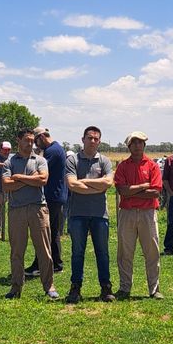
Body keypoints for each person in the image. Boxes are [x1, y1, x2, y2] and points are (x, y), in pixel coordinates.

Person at [2, 128, 59, 300]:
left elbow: (43, 180)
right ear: (18, 140)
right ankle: (16, 287)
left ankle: (49, 286)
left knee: (44, 250)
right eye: (26, 140)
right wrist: (28, 179)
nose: (30, 143)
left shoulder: (40, 160)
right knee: (17, 251)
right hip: (16, 210)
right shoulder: (9, 163)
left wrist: (18, 178)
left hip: (38, 209)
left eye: (32, 140)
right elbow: (6, 185)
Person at [64, 125, 115, 303]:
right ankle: (75, 288)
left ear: (99, 141)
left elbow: (108, 183)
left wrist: (83, 182)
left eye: (96, 138)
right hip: (78, 214)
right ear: (83, 139)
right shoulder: (72, 160)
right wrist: (96, 186)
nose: (92, 141)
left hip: (100, 215)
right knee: (77, 252)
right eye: (89, 137)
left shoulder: (105, 161)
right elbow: (72, 185)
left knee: (103, 252)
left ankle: (106, 288)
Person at [114, 131, 162, 299]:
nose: (137, 145)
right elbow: (121, 190)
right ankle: (125, 288)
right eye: (134, 142)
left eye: (140, 142)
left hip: (147, 213)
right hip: (127, 213)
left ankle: (154, 289)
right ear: (129, 146)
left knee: (152, 252)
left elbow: (155, 192)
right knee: (125, 252)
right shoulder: (122, 166)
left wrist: (131, 191)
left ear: (144, 145)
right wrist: (143, 186)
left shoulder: (152, 165)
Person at [25, 127, 67, 276]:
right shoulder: (57, 149)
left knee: (43, 232)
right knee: (52, 232)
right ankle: (56, 263)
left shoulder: (52, 151)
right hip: (57, 196)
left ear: (42, 137)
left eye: (36, 141)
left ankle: (39, 264)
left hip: (52, 196)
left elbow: (40, 172)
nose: (36, 146)